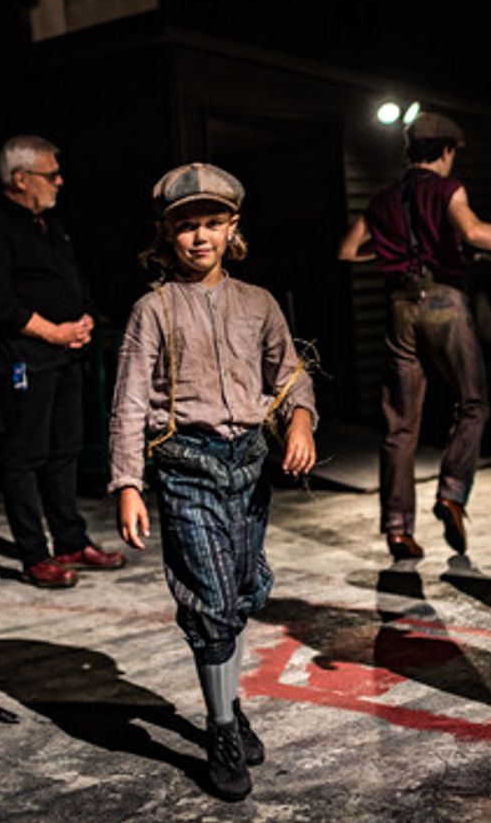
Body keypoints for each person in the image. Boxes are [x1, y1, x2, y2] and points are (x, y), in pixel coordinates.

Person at [109, 162, 317, 801]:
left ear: (233, 227)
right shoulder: (154, 309)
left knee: (246, 588)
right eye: (186, 227)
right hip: (186, 465)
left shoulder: (258, 303)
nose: (200, 237)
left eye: (212, 223)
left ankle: (225, 694)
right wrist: (128, 482)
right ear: (166, 235)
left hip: (249, 465)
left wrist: (302, 422)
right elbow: (130, 400)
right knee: (211, 600)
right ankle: (221, 726)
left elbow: (290, 376)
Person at [337, 112, 491, 561]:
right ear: (446, 151)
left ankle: (399, 529)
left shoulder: (382, 199)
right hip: (443, 301)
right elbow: (473, 231)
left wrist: (389, 251)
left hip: (400, 305)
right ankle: (452, 493)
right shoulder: (447, 189)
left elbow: (346, 251)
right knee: (474, 402)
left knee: (399, 425)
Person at [0, 134, 126, 589]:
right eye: (50, 174)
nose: (60, 181)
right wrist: (54, 331)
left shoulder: (50, 225)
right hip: (26, 358)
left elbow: (72, 282)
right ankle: (34, 555)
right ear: (20, 178)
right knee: (26, 456)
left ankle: (71, 541)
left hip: (65, 355)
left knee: (66, 451)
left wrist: (85, 320)